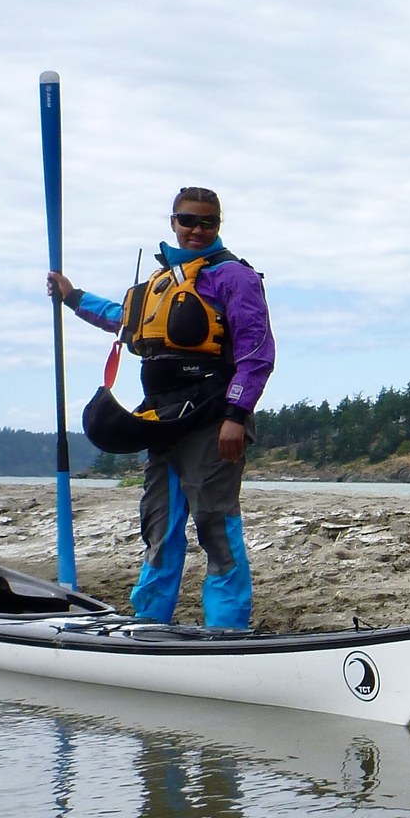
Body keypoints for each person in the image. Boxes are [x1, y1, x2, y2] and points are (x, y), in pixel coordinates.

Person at [47, 187, 275, 629]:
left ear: (218, 226)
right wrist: (73, 297)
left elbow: (257, 352)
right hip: (160, 421)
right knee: (159, 525)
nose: (197, 229)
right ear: (173, 221)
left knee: (214, 521)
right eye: (188, 220)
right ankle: (150, 621)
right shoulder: (159, 283)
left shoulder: (234, 278)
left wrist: (235, 415)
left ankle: (227, 627)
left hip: (212, 421)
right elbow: (122, 317)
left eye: (207, 222)